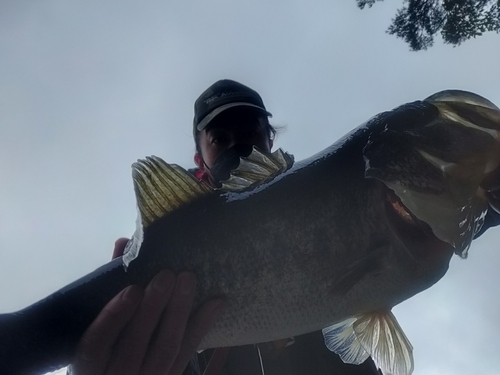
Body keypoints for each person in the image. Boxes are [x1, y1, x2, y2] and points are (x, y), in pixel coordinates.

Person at [71, 80, 383, 375]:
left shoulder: (321, 213)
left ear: (270, 140)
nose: (239, 147)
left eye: (251, 133)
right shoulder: (173, 241)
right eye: (220, 139)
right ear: (199, 158)